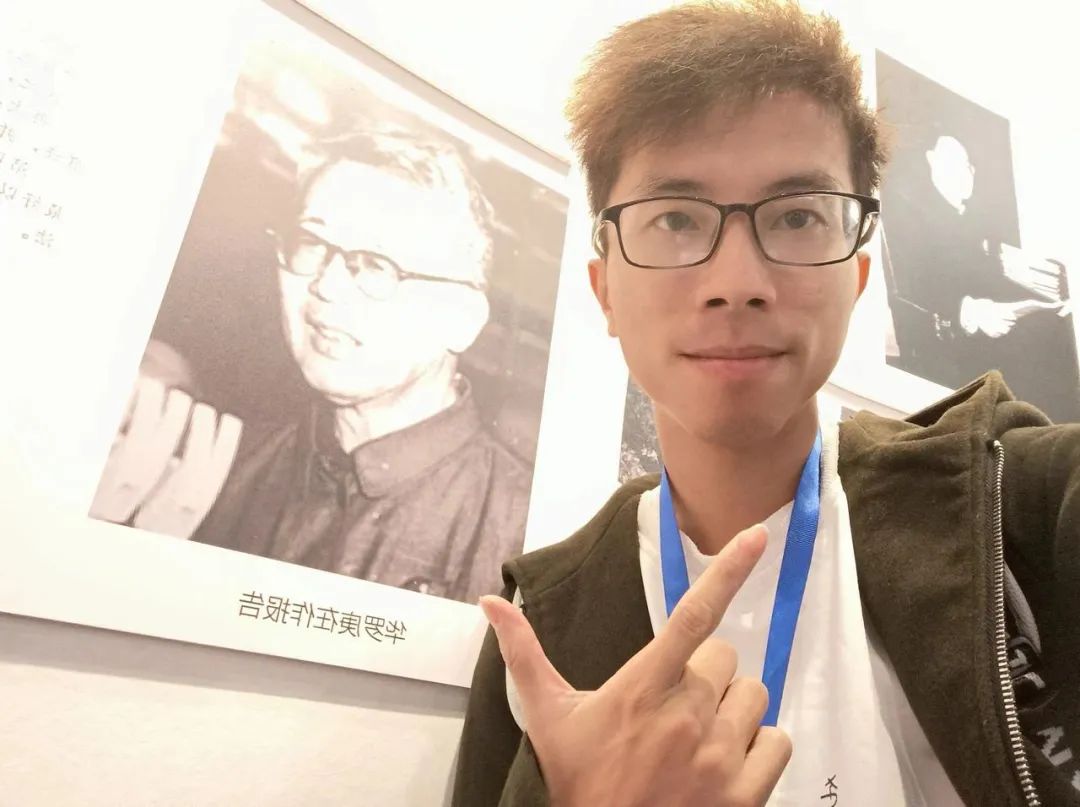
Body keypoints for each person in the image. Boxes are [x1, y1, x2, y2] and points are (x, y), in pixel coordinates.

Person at [452, 2, 1080, 806]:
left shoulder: (1019, 508)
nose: (737, 283)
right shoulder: (540, 627)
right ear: (604, 288)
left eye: (796, 217)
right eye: (675, 219)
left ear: (856, 278)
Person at [94, 124, 532, 604]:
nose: (327, 285)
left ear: (461, 320)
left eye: (376, 264)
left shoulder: (523, 531)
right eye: (312, 243)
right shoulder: (215, 468)